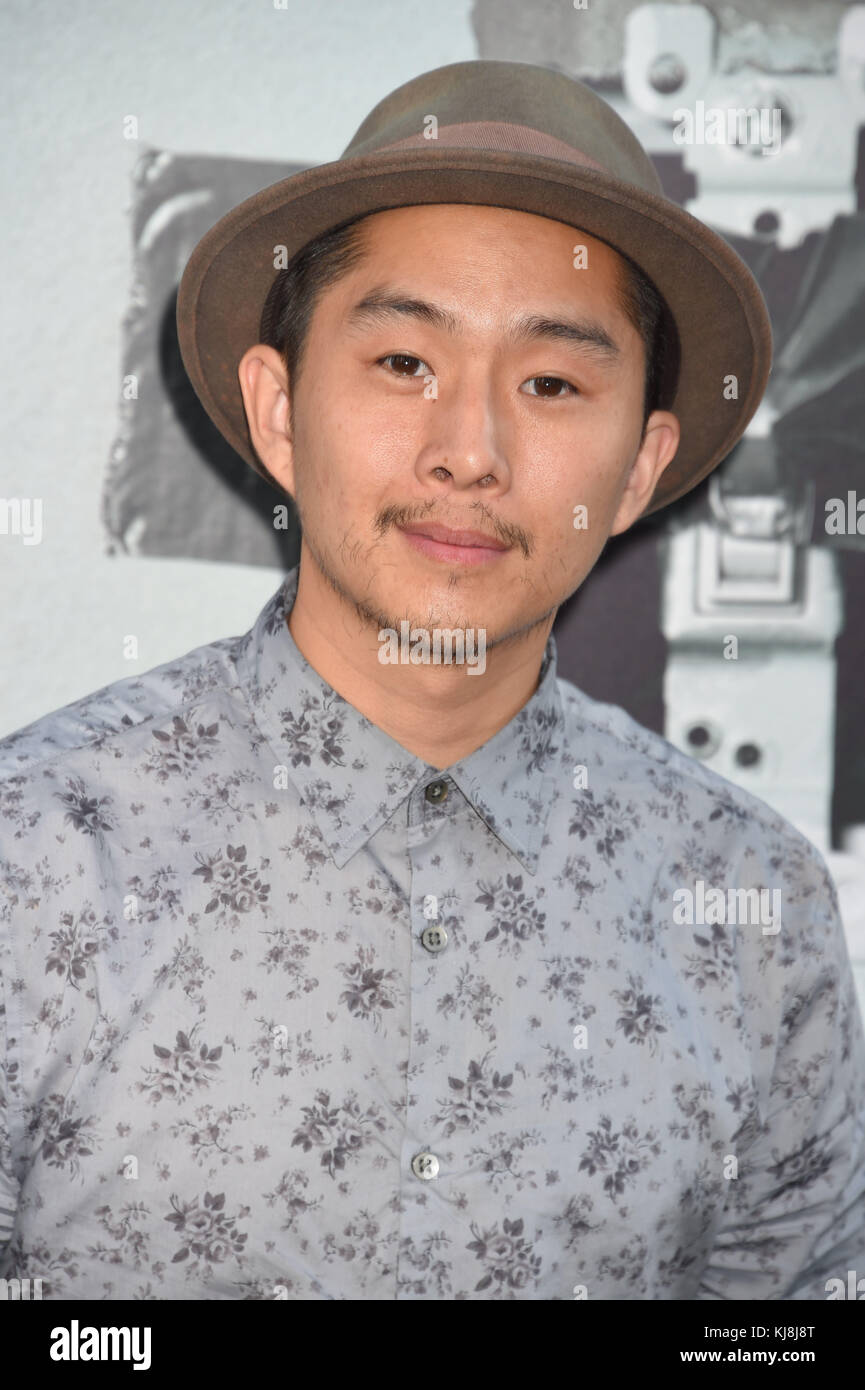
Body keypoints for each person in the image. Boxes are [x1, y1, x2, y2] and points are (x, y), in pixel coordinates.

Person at [1, 60, 862, 1301]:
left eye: (553, 382)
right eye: (404, 362)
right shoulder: (37, 850)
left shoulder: (748, 906)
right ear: (280, 411)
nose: (470, 451)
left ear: (638, 466)